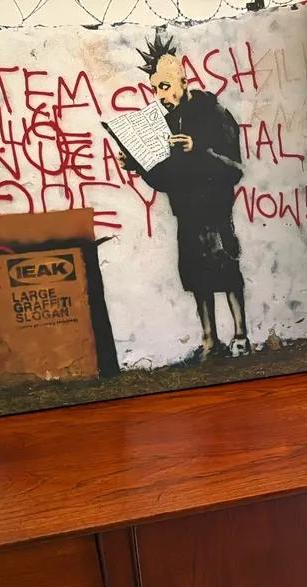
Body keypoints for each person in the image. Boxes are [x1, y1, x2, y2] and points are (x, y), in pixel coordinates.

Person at [114, 32, 250, 359]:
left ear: (183, 81)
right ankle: (209, 339)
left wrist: (198, 150)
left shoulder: (214, 112)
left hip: (215, 212)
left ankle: (242, 335)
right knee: (196, 277)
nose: (160, 95)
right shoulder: (165, 122)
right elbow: (165, 180)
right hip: (186, 215)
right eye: (154, 89)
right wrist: (138, 164)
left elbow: (235, 168)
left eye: (165, 86)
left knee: (226, 272)